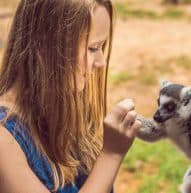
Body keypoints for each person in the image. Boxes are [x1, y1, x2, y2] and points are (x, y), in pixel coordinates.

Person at [0, 0, 142, 193]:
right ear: (49, 45)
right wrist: (111, 155)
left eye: (102, 47)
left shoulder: (64, 109)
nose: (101, 62)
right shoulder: (4, 140)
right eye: (93, 48)